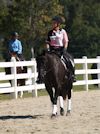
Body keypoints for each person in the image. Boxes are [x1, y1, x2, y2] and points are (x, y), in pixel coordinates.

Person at [36, 16, 76, 83]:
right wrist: (48, 49)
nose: (52, 24)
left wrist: (65, 49)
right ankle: (41, 77)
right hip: (52, 51)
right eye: (52, 23)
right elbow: (47, 42)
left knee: (69, 61)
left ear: (58, 24)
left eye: (54, 23)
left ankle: (72, 76)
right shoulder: (50, 32)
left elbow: (66, 41)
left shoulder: (62, 32)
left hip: (61, 50)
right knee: (43, 62)